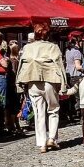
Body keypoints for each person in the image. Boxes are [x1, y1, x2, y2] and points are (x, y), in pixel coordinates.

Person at [16, 23, 66, 153]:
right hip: (50, 80)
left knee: (39, 113)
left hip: (32, 81)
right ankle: (52, 139)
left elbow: (21, 65)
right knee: (53, 110)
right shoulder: (53, 47)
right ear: (48, 34)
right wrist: (64, 84)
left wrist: (19, 83)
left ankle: (42, 142)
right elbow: (60, 66)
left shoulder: (27, 48)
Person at [5, 41, 22, 135]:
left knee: (11, 106)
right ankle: (15, 125)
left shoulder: (10, 60)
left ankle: (11, 125)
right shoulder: (14, 61)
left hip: (10, 84)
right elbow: (15, 73)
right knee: (14, 107)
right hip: (14, 85)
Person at [65, 38, 83, 120]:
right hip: (77, 76)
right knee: (79, 97)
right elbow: (78, 66)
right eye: (81, 41)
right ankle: (79, 113)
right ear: (77, 42)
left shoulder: (67, 51)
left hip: (69, 76)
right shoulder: (76, 52)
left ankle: (71, 113)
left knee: (72, 97)